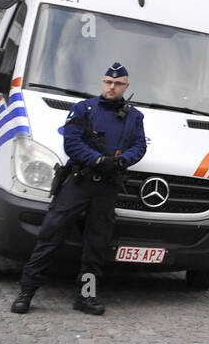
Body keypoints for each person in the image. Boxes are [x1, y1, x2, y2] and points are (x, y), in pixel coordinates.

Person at [11, 62, 147, 315]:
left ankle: (85, 297)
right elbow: (71, 144)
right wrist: (96, 160)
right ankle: (26, 292)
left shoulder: (135, 117)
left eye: (118, 84)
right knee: (50, 236)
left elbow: (140, 146)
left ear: (126, 86)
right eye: (108, 82)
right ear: (102, 83)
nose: (112, 87)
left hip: (106, 189)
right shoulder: (84, 109)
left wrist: (121, 161)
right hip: (79, 183)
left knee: (97, 245)